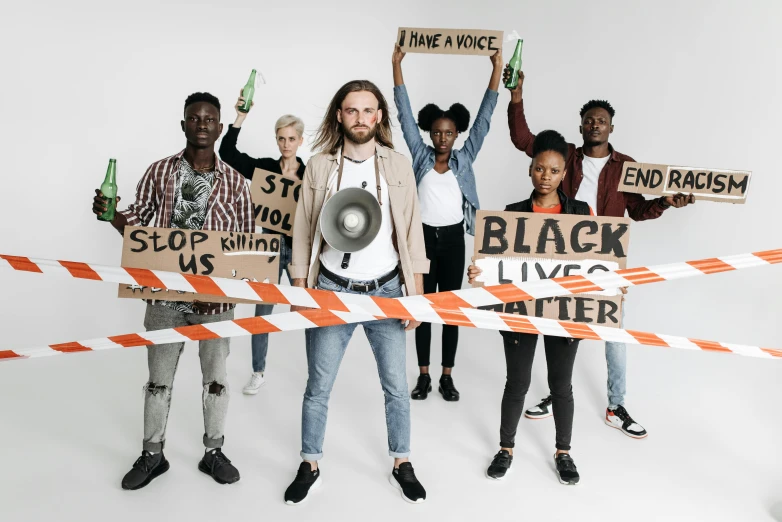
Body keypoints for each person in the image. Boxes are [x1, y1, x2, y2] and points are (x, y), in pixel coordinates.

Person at [504, 68, 694, 439]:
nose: (595, 125)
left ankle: (615, 404)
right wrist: (516, 96)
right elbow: (523, 139)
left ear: (610, 128)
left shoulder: (626, 166)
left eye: (602, 121)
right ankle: (556, 394)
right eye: (589, 120)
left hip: (605, 257)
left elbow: (637, 211)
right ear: (580, 127)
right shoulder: (566, 158)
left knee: (613, 331)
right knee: (558, 320)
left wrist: (666, 203)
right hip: (560, 255)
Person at [92, 93, 253, 489]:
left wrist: (231, 288)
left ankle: (213, 452)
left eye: (210, 118)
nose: (202, 124)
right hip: (163, 297)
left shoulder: (235, 183)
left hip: (214, 301)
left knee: (216, 378)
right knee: (158, 380)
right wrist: (112, 216)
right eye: (194, 118)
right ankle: (152, 454)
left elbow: (248, 245)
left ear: (219, 127)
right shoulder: (159, 173)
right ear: (183, 125)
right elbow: (138, 228)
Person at [284, 79, 429, 505]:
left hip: (386, 290)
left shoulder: (399, 166)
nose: (361, 118)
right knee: (318, 385)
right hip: (331, 289)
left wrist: (414, 293)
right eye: (352, 111)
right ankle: (309, 463)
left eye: (368, 111)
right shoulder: (320, 166)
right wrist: (299, 289)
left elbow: (412, 229)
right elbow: (303, 228)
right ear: (339, 116)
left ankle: (402, 462)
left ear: (380, 116)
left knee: (396, 387)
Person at [468, 130, 592, 485]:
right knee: (517, 382)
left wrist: (613, 287)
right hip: (520, 311)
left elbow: (597, 263)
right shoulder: (512, 215)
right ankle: (506, 448)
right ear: (530, 170)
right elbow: (495, 268)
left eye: (553, 171)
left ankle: (563, 452)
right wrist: (481, 271)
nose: (546, 177)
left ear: (564, 173)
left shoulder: (581, 213)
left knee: (561, 385)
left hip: (564, 312)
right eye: (540, 169)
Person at [392, 44, 502, 402]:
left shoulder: (465, 159)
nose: (442, 138)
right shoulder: (421, 156)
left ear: (457, 135)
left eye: (449, 133)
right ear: (429, 133)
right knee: (423, 306)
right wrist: (397, 67)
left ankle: (447, 376)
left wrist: (496, 69)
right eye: (437, 132)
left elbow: (484, 120)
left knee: (451, 309)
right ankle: (423, 376)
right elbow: (405, 116)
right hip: (422, 239)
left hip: (454, 239)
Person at [219, 89, 306, 395]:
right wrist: (241, 116)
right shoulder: (266, 168)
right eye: (281, 138)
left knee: (305, 308)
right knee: (262, 313)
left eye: (291, 139)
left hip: (300, 249)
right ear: (276, 140)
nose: (286, 144)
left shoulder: (311, 175)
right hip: (269, 246)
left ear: (300, 141)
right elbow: (228, 155)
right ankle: (259, 371)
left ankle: (315, 372)